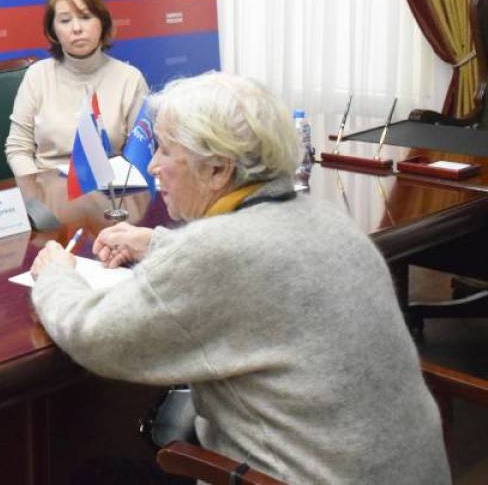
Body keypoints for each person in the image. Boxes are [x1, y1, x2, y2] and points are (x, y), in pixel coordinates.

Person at [28, 72, 450, 484]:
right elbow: (259, 261)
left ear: (217, 169)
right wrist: (156, 243)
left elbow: (96, 336)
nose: (152, 165)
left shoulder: (216, 254)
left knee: (87, 473)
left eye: (164, 150)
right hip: (406, 470)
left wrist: (55, 276)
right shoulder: (327, 220)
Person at [5, 0, 148, 176]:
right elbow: (18, 149)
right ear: (53, 31)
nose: (77, 28)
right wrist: (36, 189)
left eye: (86, 17)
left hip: (110, 187)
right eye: (65, 21)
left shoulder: (130, 79)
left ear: (102, 22)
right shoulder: (37, 76)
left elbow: (139, 153)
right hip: (48, 185)